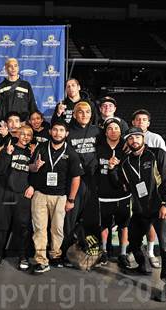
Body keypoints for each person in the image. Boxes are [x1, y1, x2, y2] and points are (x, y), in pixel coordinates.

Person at [111, 127, 166, 302]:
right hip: (142, 210)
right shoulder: (126, 163)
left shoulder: (157, 154)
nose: (134, 140)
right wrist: (112, 169)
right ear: (127, 142)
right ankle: (144, 265)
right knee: (132, 239)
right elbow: (122, 185)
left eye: (137, 137)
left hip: (161, 208)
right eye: (130, 138)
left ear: (143, 137)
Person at [29, 120, 83, 273]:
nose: (57, 133)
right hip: (40, 195)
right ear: (50, 131)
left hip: (60, 197)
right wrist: (35, 167)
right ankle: (41, 260)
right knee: (39, 228)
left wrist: (71, 199)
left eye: (61, 130)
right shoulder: (41, 147)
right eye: (55, 130)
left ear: (66, 134)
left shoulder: (71, 153)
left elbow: (76, 178)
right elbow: (31, 168)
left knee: (57, 229)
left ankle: (55, 255)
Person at [0, 125, 34, 270]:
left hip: (23, 195)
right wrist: (7, 154)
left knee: (23, 227)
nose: (25, 137)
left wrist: (33, 186)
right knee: (2, 226)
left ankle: (23, 257)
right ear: (17, 135)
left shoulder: (33, 152)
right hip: (5, 192)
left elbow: (38, 173)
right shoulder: (8, 148)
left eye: (29, 134)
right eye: (23, 134)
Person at [62, 101, 101, 264]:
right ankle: (66, 253)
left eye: (87, 112)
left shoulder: (98, 131)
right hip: (75, 180)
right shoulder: (69, 133)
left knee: (92, 218)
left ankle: (94, 252)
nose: (84, 114)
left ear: (91, 115)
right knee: (70, 217)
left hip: (93, 181)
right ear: (75, 115)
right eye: (80, 112)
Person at [132, 108, 166, 268]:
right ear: (133, 122)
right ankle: (135, 252)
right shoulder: (130, 138)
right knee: (137, 224)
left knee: (153, 225)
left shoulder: (156, 139)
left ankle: (152, 252)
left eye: (144, 119)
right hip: (137, 190)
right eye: (138, 119)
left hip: (154, 192)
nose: (140, 122)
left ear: (149, 122)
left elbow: (164, 166)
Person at [96, 118, 132, 268]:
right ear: (105, 131)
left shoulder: (126, 148)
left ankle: (122, 254)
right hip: (104, 194)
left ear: (120, 131)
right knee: (104, 225)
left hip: (122, 194)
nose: (113, 131)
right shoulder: (99, 148)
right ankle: (104, 251)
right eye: (110, 128)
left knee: (124, 226)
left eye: (116, 128)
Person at [0, 58, 37, 122]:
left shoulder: (26, 85)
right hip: (6, 125)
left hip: (23, 124)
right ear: (6, 69)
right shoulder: (0, 87)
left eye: (15, 66)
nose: (13, 68)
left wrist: (28, 122)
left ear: (18, 68)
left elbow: (32, 105)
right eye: (10, 66)